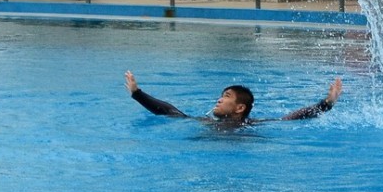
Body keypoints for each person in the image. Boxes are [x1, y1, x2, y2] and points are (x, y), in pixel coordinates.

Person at [124, 71, 343, 125]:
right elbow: (171, 112)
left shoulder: (249, 127)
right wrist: (138, 94)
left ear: (240, 108)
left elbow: (291, 118)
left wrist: (327, 104)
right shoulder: (207, 123)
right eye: (220, 96)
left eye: (226, 96)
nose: (218, 100)